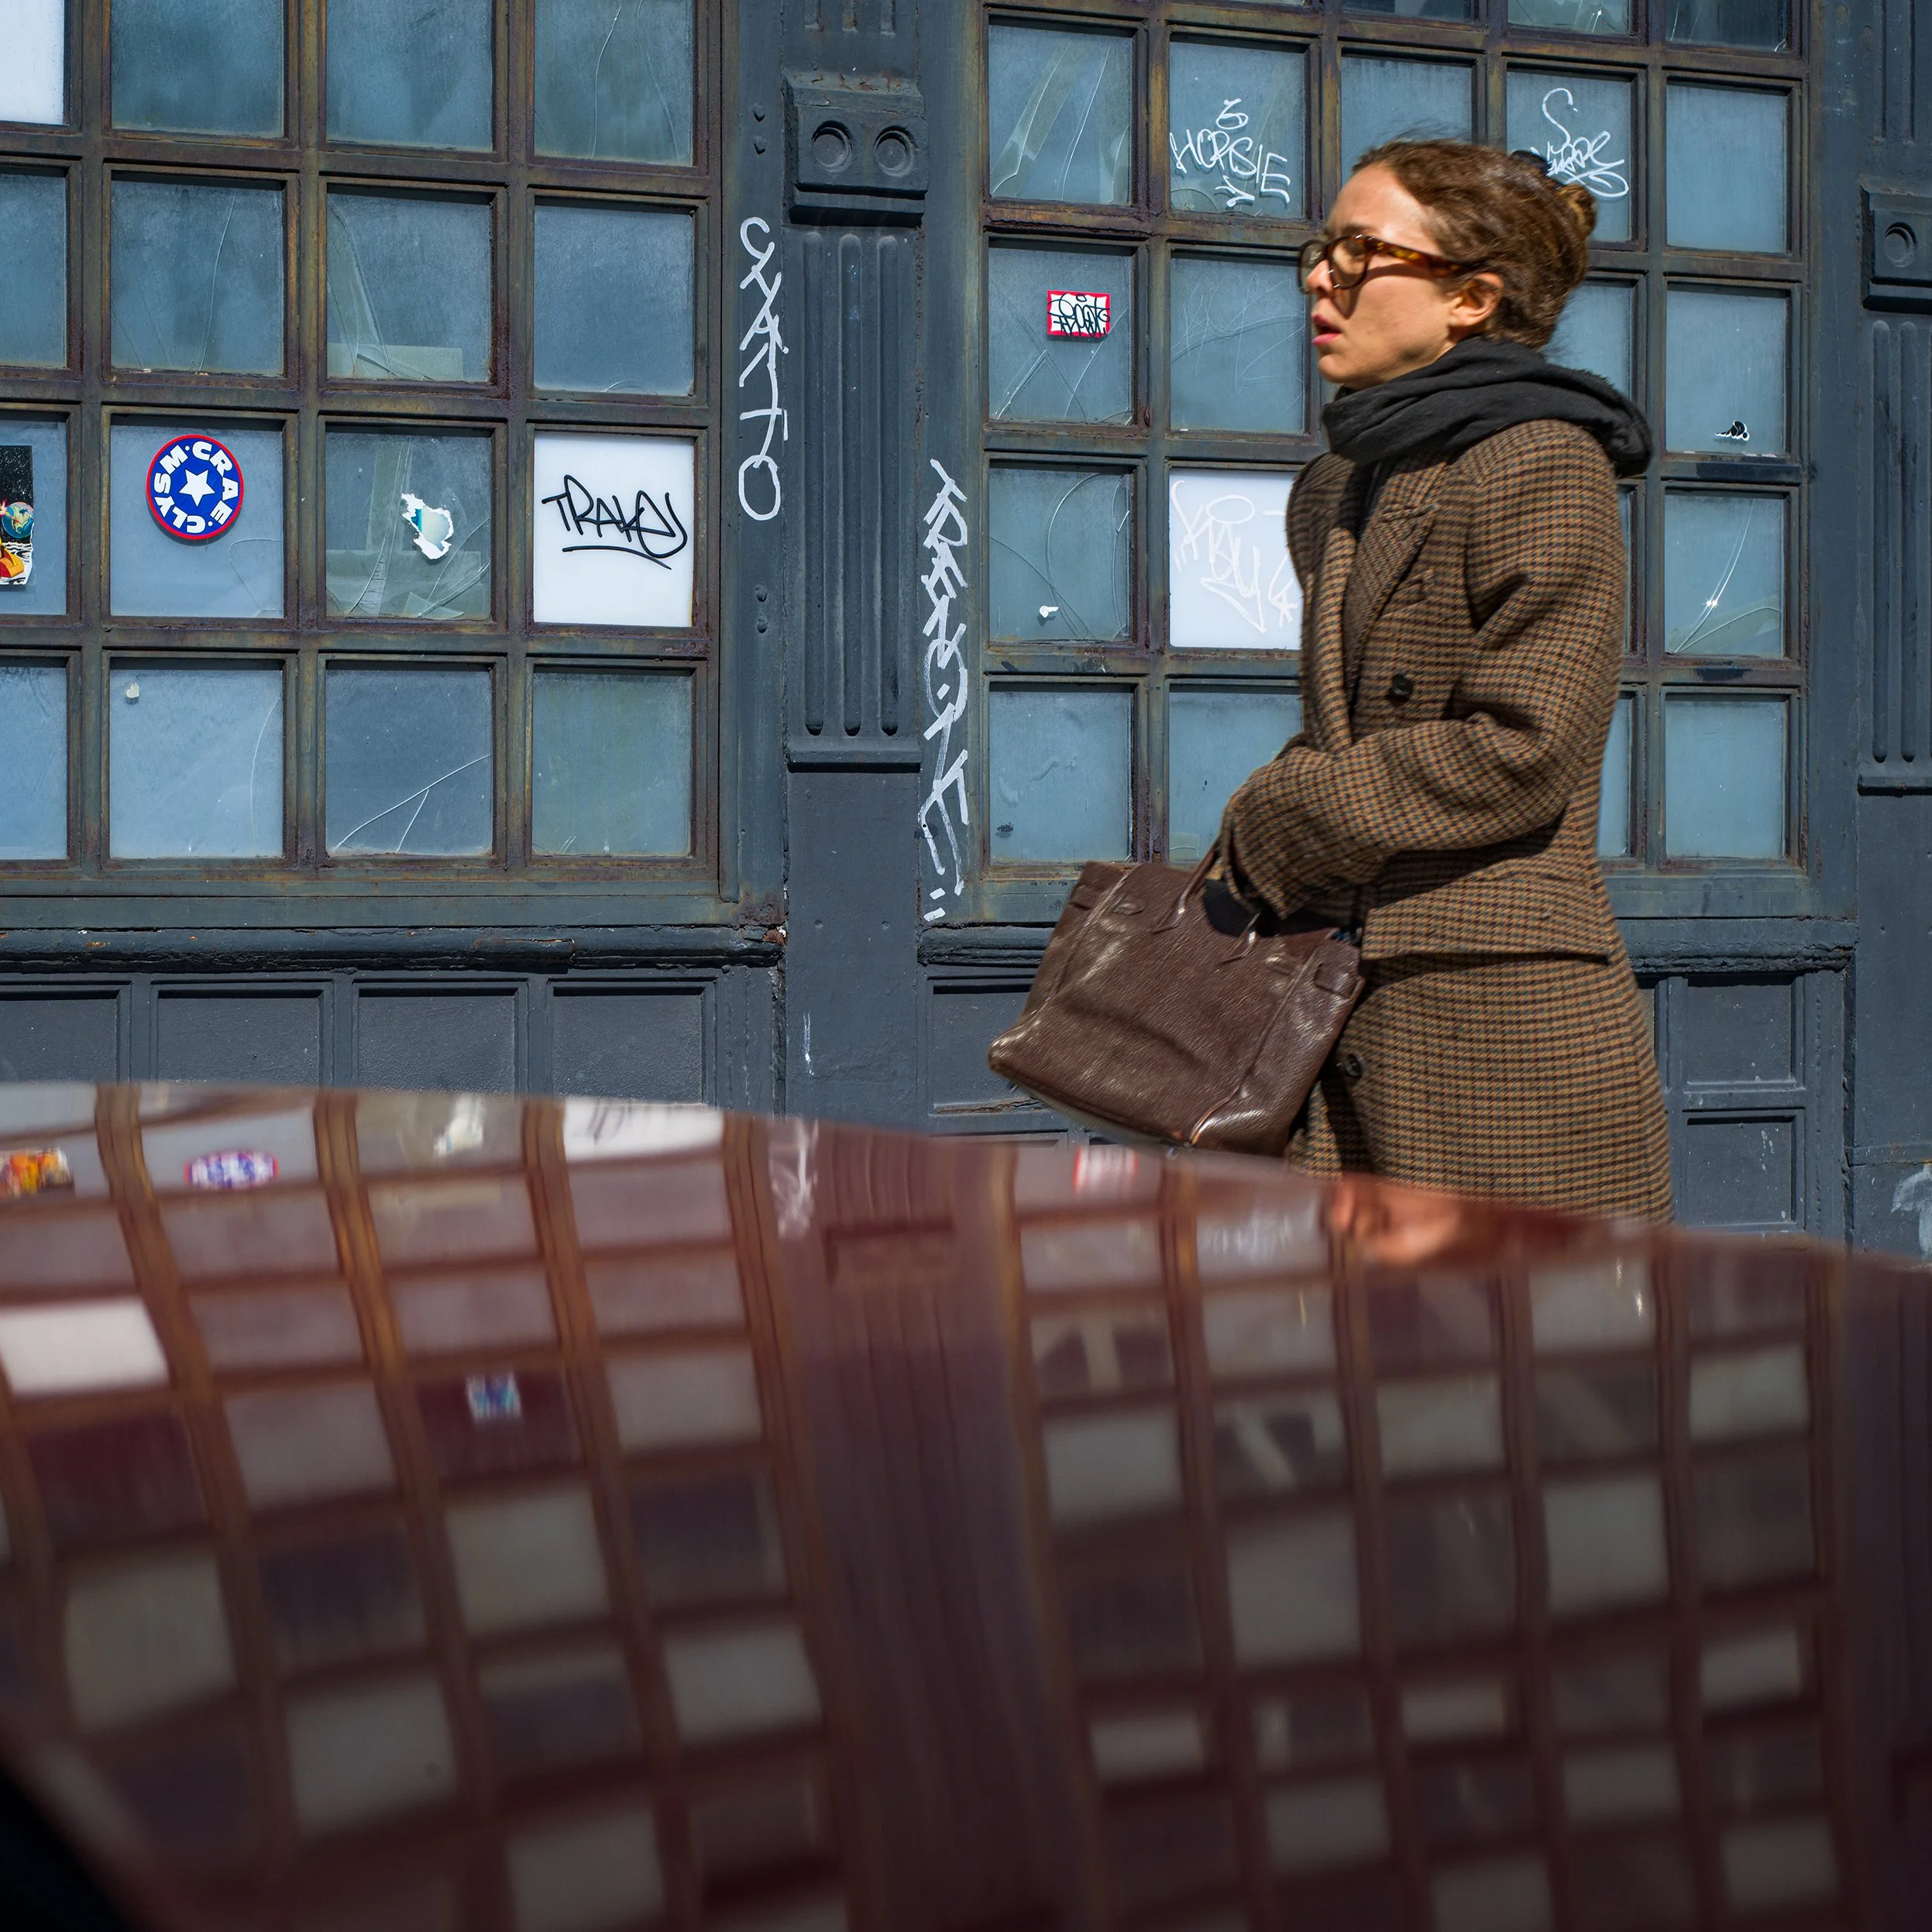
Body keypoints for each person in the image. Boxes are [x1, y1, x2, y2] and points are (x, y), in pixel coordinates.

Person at [1215, 139, 1672, 1222]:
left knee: (1526, 1375)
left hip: (1494, 1029)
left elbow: (1520, 748)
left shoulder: (1541, 458)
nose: (1318, 278)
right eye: (1319, 248)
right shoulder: (1337, 480)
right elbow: (1350, 722)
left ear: (1469, 297)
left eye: (1359, 252)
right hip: (1330, 1005)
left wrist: (1280, 813)